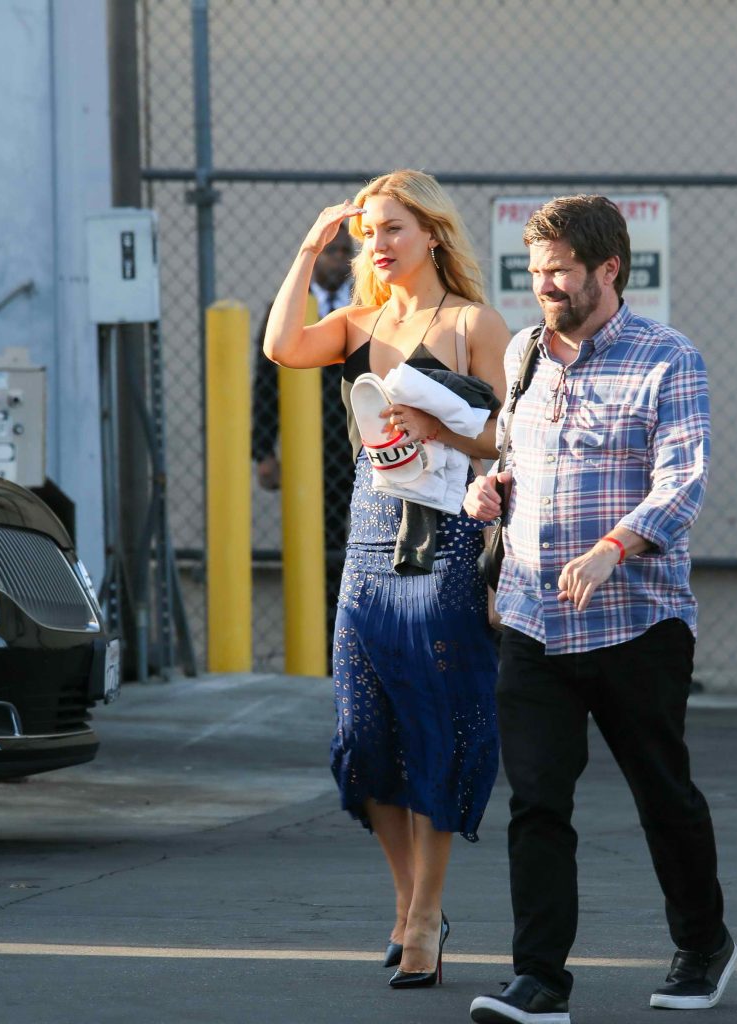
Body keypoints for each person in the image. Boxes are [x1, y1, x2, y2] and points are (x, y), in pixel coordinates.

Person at [464, 195, 737, 1024]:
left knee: (664, 794)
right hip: (533, 621)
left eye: (560, 273)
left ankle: (703, 944)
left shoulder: (668, 358)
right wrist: (491, 490)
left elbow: (682, 481)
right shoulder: (522, 355)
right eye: (535, 272)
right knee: (538, 801)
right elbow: (517, 457)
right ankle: (539, 979)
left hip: (636, 625)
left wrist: (614, 546)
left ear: (608, 270)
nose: (544, 286)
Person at [263, 169, 510, 988]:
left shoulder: (474, 321)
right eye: (368, 231)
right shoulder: (358, 322)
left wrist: (439, 421)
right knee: (366, 738)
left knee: (434, 731)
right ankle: (412, 905)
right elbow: (281, 347)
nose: (378, 244)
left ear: (432, 233)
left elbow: (510, 439)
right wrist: (309, 248)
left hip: (443, 545)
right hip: (369, 545)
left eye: (392, 228)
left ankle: (424, 922)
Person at [251, 225, 355, 671]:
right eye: (331, 253)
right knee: (322, 540)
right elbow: (265, 385)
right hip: (311, 452)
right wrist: (263, 451)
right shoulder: (289, 311)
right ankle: (326, 638)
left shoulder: (364, 307)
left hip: (360, 442)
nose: (338, 261)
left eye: (345, 253)